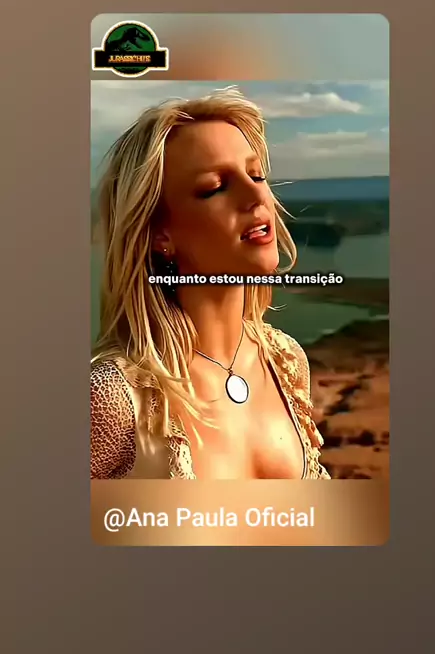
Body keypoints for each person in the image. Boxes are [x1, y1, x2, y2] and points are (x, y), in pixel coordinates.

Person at [90, 87, 330, 480]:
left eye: (256, 175)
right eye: (214, 187)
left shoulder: (286, 361)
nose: (256, 195)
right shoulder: (113, 399)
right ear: (160, 234)